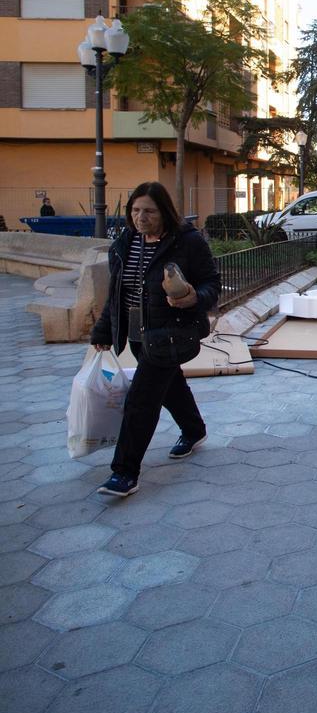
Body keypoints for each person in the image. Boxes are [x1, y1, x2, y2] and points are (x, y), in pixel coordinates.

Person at [90, 182, 221, 498]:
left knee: (142, 399)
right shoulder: (124, 243)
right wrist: (104, 331)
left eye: (148, 211)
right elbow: (116, 293)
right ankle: (194, 430)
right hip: (137, 334)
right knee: (170, 385)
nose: (140, 217)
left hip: (170, 332)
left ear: (164, 211)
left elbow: (211, 284)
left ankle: (124, 472)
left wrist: (193, 299)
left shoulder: (187, 243)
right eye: (135, 210)